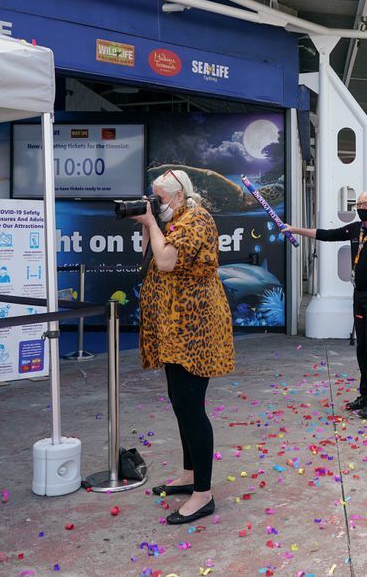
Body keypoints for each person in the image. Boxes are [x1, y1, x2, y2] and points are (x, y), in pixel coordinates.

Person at [133, 169, 234, 525]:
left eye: (159, 198)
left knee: (192, 407)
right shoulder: (174, 219)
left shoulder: (197, 218)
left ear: (178, 195)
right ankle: (191, 474)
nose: (155, 203)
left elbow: (166, 261)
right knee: (180, 403)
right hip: (174, 328)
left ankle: (203, 494)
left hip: (195, 329)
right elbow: (148, 255)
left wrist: (151, 221)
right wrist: (148, 224)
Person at [282, 191, 367, 419]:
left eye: (366, 203)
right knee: (362, 347)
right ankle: (365, 395)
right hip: (360, 295)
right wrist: (295, 230)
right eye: (358, 203)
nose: (362, 207)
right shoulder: (357, 229)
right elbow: (326, 234)